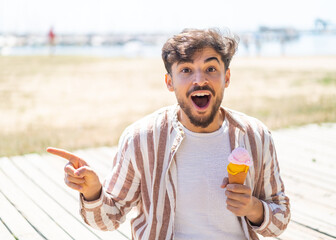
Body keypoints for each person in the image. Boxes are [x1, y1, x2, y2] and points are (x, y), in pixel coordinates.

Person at [47, 28, 290, 240]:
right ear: (169, 82)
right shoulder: (141, 138)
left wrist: (253, 208)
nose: (200, 80)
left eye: (211, 68)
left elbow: (280, 219)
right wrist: (92, 192)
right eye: (186, 70)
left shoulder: (256, 136)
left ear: (226, 77)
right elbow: (108, 219)